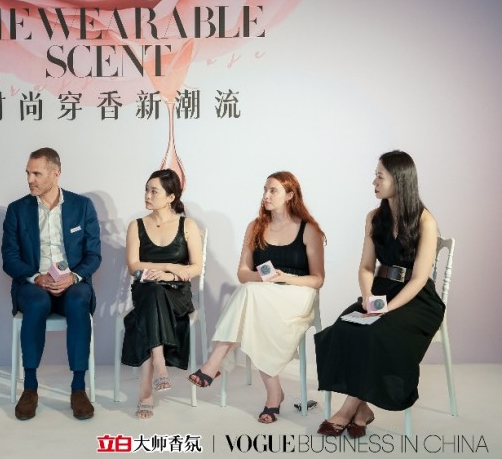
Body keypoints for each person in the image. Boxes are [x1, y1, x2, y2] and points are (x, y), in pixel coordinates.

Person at [315, 150, 444, 438]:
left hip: (417, 299)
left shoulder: (425, 221)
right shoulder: (374, 217)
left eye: (379, 176)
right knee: (344, 326)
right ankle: (362, 411)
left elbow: (419, 278)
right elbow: (365, 266)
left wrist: (387, 308)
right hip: (381, 290)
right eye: (375, 175)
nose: (374, 181)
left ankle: (348, 409)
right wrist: (367, 296)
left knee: (375, 332)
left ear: (399, 180)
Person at [188, 171, 325, 424]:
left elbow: (317, 279)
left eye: (273, 191)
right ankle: (274, 393)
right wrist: (262, 278)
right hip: (263, 292)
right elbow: (243, 273)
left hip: (297, 293)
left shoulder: (308, 230)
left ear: (290, 195)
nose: (266, 196)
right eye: (265, 190)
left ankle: (214, 363)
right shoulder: (256, 227)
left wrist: (285, 278)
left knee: (251, 296)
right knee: (252, 294)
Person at [2, 147, 101, 421]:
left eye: (36, 173)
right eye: (28, 173)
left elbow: (94, 255)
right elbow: (9, 258)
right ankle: (30, 387)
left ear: (55, 173)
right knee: (36, 302)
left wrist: (74, 277)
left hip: (73, 282)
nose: (30, 179)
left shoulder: (82, 206)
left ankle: (78, 388)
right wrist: (36, 277)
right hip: (34, 284)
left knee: (79, 299)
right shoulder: (17, 210)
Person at [120, 169, 203, 419]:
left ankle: (146, 391)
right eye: (146, 189)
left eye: (154, 191)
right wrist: (169, 267)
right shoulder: (136, 226)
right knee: (152, 291)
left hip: (176, 293)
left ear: (170, 197)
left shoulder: (187, 225)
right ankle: (159, 362)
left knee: (151, 302)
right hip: (146, 289)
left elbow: (196, 267)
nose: (147, 195)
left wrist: (170, 275)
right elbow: (134, 266)